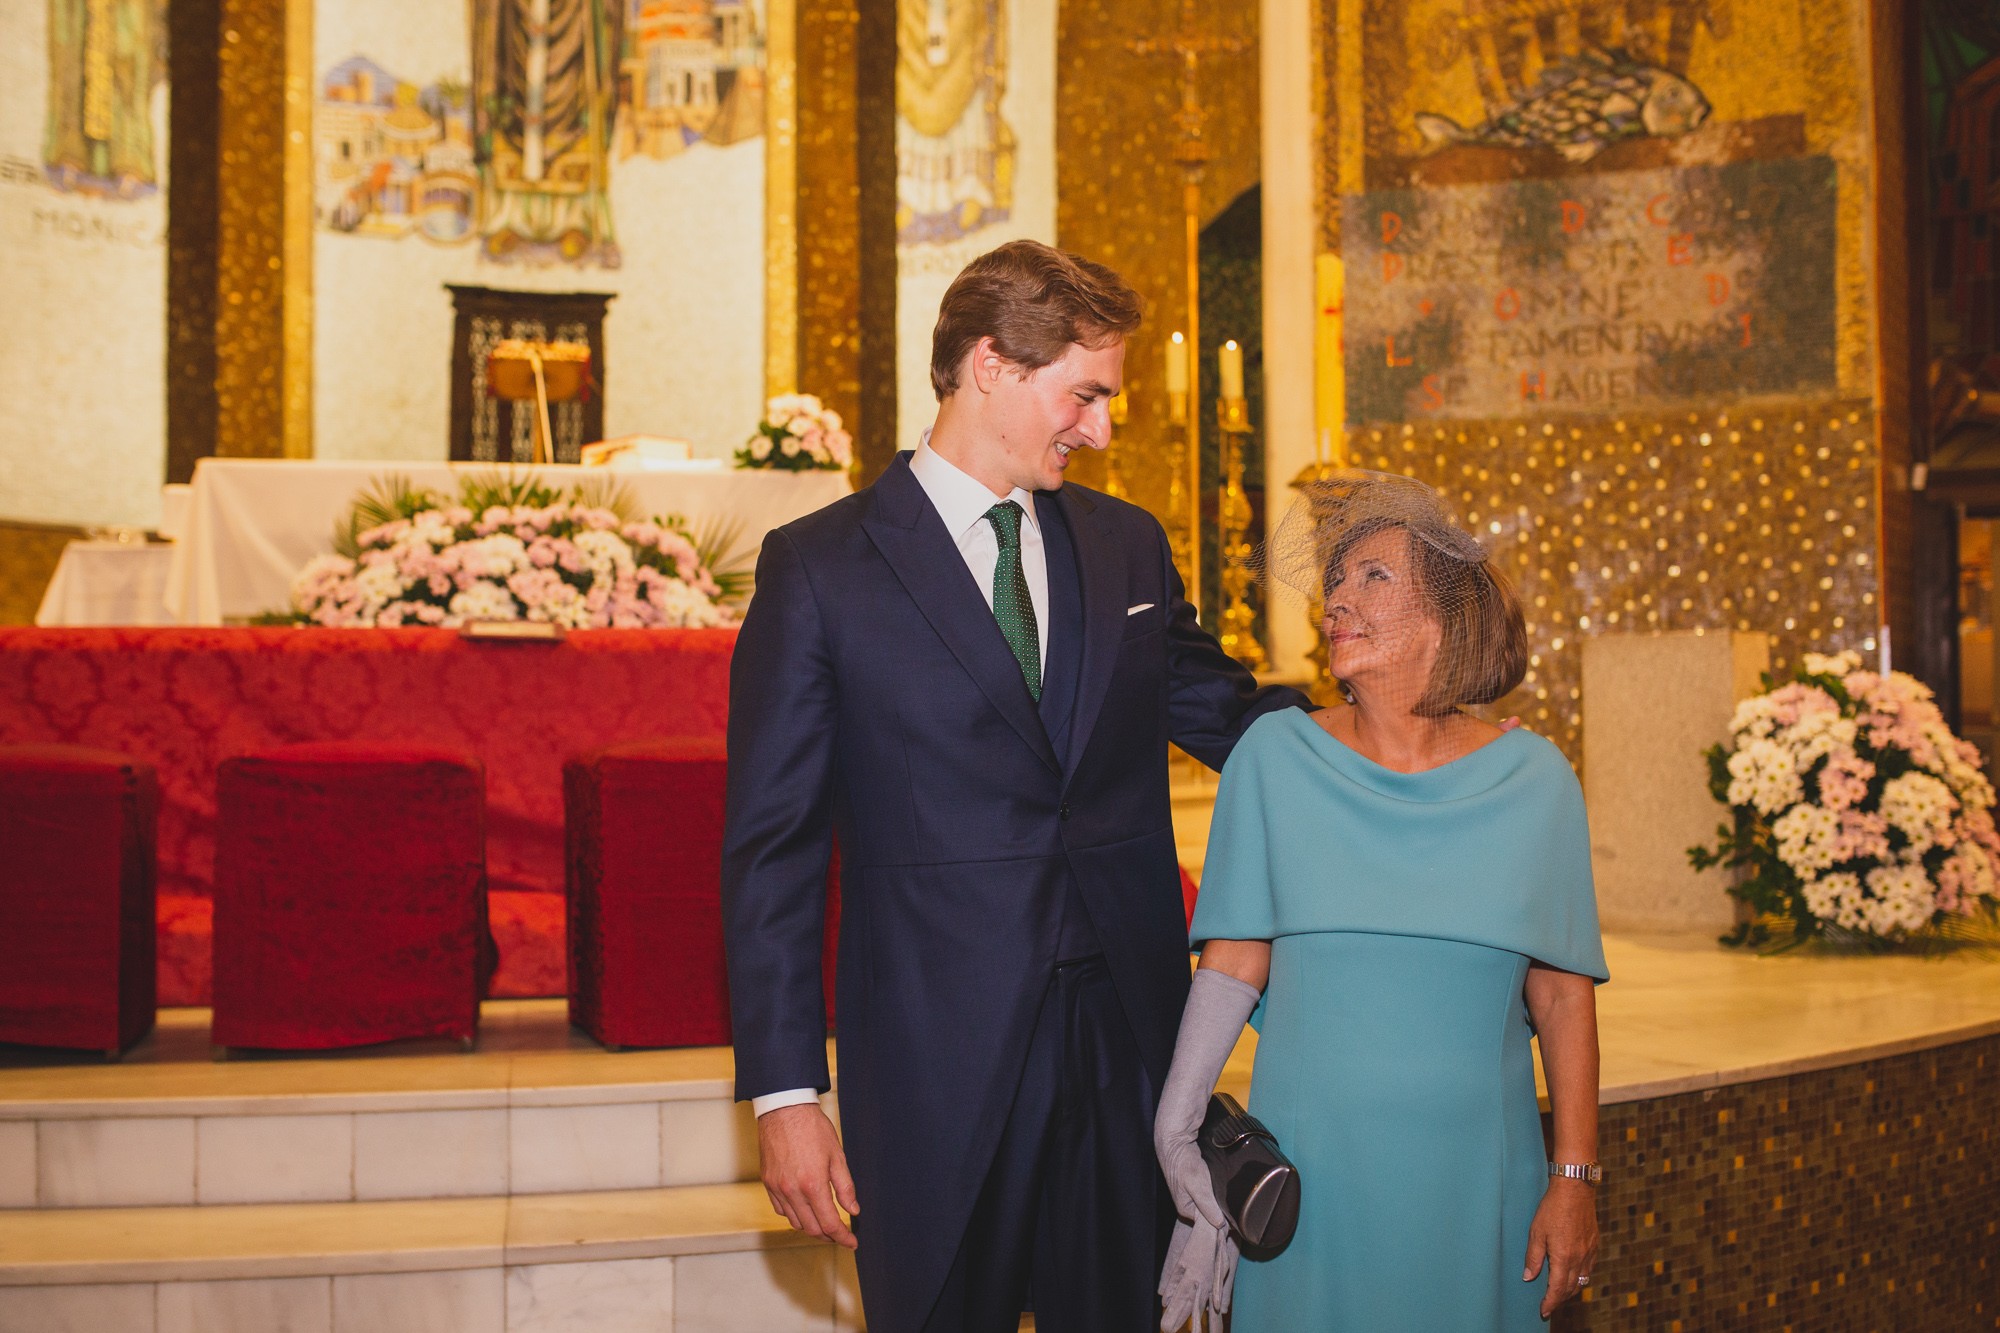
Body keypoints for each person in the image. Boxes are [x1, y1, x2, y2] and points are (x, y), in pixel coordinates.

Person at [721, 239, 1312, 1333]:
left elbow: (1232, 719)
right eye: (1083, 394)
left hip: (1128, 1047)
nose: (1098, 427)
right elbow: (773, 853)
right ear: (988, 364)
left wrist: (1395, 728)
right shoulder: (819, 569)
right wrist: (786, 1094)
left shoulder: (1126, 545)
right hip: (933, 1062)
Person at [1152, 471, 1608, 1332]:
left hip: (1484, 1191)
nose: (1337, 599)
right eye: (1335, 579)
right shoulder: (1272, 759)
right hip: (1315, 1197)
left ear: (1444, 618)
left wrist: (1573, 1179)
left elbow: (1561, 994)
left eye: (1374, 576)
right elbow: (1233, 963)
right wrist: (1176, 1129)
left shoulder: (1535, 781)